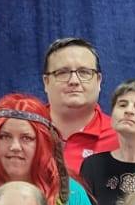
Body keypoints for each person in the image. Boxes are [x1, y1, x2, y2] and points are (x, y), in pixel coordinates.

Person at [42, 37, 118, 180]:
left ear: (99, 81)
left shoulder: (121, 136)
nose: (74, 81)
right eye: (62, 72)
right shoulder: (26, 131)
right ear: (46, 82)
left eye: (84, 72)